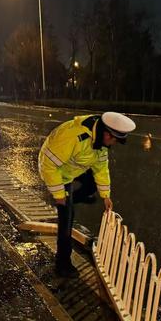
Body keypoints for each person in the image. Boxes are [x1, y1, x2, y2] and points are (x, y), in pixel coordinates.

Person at [38, 112, 136, 278]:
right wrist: (60, 195)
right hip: (58, 171)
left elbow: (101, 168)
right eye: (114, 140)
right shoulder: (74, 136)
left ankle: (73, 199)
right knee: (66, 220)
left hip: (75, 165)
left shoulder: (100, 141)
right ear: (106, 133)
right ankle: (62, 264)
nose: (113, 144)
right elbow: (49, 166)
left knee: (91, 185)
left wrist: (106, 195)